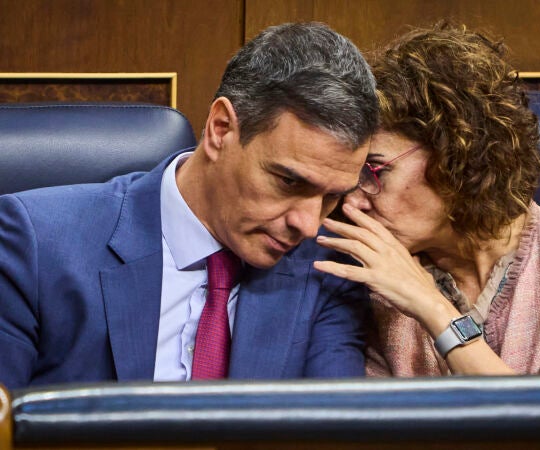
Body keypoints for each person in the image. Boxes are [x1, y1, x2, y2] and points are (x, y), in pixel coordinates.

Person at [0, 22, 378, 389]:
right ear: (220, 129)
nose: (309, 225)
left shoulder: (327, 268)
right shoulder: (35, 244)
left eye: (332, 196)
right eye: (289, 181)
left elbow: (331, 429)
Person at [314, 22, 540, 376]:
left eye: (376, 171)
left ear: (456, 155)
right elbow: (379, 426)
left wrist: (433, 308)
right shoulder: (377, 281)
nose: (352, 205)